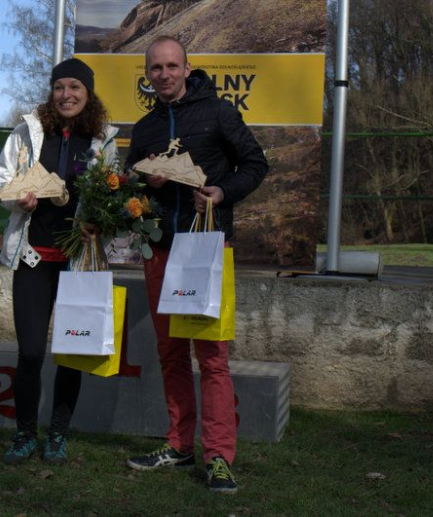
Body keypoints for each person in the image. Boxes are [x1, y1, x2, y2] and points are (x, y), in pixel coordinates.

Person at [125, 36, 269, 494]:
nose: (164, 74)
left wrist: (221, 192)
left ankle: (220, 456)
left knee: (212, 358)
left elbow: (255, 164)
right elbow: (131, 187)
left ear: (188, 68)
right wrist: (146, 184)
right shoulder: (145, 128)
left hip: (206, 249)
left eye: (171, 66)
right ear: (147, 75)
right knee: (169, 353)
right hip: (161, 251)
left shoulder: (218, 113)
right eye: (155, 69)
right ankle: (179, 444)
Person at [0, 58, 118, 465]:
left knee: (71, 351)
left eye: (75, 88)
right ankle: (26, 433)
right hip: (33, 258)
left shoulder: (103, 140)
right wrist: (15, 196)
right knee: (30, 352)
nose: (67, 95)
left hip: (78, 262)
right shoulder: (28, 131)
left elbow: (114, 194)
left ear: (88, 94)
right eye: (60, 87)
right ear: (52, 92)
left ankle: (57, 435)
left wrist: (103, 217)